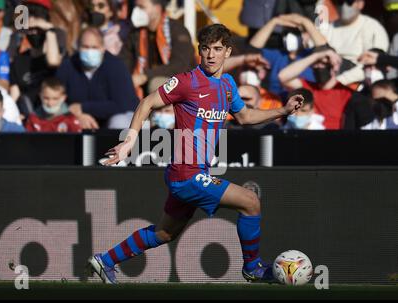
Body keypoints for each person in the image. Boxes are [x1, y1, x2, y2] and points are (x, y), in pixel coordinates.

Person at [85, 24, 304, 284]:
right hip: (186, 174)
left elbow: (245, 116)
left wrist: (283, 111)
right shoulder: (187, 81)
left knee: (164, 233)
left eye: (217, 49)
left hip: (195, 173)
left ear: (228, 52)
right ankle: (253, 268)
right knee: (250, 201)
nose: (211, 55)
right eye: (205, 48)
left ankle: (104, 261)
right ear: (199, 51)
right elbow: (147, 102)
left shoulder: (227, 84)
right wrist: (129, 141)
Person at [56, 27, 139, 129]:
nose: (90, 51)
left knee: (119, 122)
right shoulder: (68, 66)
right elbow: (56, 98)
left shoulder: (116, 66)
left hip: (117, 118)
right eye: (85, 47)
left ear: (103, 48)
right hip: (78, 119)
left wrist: (84, 108)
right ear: (78, 47)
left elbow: (122, 105)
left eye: (94, 47)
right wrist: (77, 115)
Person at [120, 0, 195, 98]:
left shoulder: (177, 30)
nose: (136, 11)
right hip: (145, 84)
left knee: (155, 85)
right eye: (136, 7)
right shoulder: (136, 33)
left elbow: (180, 65)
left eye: (142, 7)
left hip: (179, 82)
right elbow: (125, 60)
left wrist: (145, 76)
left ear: (157, 8)